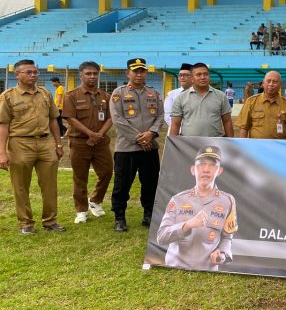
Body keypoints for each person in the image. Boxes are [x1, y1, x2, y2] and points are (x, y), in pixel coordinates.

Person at [0, 59, 65, 234]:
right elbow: (3, 125)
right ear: (17, 74)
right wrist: (2, 153)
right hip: (20, 143)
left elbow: (53, 120)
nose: (33, 75)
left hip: (45, 143)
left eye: (35, 72)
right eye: (28, 72)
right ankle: (26, 223)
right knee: (20, 186)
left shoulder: (45, 93)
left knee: (50, 185)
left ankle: (50, 221)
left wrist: (58, 144)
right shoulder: (8, 96)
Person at [156, 146, 238, 272]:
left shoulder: (228, 201)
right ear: (193, 170)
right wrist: (187, 225)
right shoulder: (177, 200)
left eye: (212, 165)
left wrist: (222, 253)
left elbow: (227, 237)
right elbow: (161, 237)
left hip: (208, 272)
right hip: (176, 270)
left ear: (219, 171)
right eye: (201, 165)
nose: (206, 170)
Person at [110, 58, 164, 232]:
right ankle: (119, 217)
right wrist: (139, 139)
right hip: (127, 148)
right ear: (128, 73)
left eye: (142, 71)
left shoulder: (154, 93)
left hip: (150, 147)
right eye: (135, 71)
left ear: (146, 73)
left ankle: (149, 214)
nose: (139, 74)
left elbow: (160, 116)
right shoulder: (118, 93)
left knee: (150, 183)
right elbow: (118, 120)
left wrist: (151, 134)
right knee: (122, 184)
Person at [62, 61, 113, 224]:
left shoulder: (106, 96)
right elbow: (70, 118)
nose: (92, 76)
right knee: (80, 177)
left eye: (95, 73)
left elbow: (111, 118)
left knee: (107, 172)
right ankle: (81, 210)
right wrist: (90, 134)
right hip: (79, 142)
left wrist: (98, 135)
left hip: (101, 142)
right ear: (81, 75)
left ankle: (95, 200)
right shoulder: (71, 95)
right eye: (88, 73)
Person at [170, 63, 233, 138]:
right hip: (188, 143)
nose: (203, 77)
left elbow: (227, 121)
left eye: (206, 74)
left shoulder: (221, 96)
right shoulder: (181, 98)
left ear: (209, 76)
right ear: (192, 78)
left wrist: (230, 141)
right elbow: (175, 124)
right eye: (198, 75)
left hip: (215, 142)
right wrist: (173, 143)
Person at [237, 71, 286, 140]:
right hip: (257, 146)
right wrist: (242, 146)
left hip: (280, 146)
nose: (271, 84)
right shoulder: (251, 102)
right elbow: (244, 128)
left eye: (275, 82)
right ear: (263, 84)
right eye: (268, 81)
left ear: (280, 85)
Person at [164, 63, 192, 135]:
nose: (182, 77)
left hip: (194, 133)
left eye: (186, 75)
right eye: (180, 75)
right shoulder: (171, 94)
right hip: (176, 132)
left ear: (193, 77)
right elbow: (168, 115)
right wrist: (180, 129)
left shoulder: (199, 94)